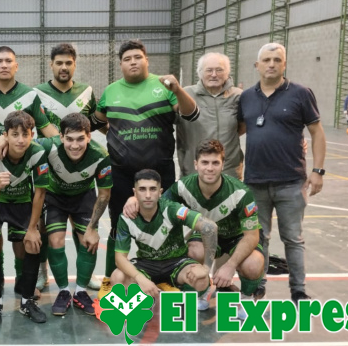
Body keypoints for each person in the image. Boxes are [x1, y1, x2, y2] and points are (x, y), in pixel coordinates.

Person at [92, 39, 199, 298]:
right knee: (118, 227)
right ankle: (109, 280)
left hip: (160, 172)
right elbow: (97, 121)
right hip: (121, 173)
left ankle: (168, 276)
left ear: (146, 60)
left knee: (166, 225)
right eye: (127, 59)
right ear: (121, 64)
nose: (133, 62)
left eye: (137, 57)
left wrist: (178, 89)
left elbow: (191, 114)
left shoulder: (164, 86)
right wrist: (116, 135)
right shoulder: (110, 91)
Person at [124, 140, 264, 319]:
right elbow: (158, 203)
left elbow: (251, 236)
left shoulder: (241, 193)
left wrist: (230, 265)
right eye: (205, 162)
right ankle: (202, 292)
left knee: (253, 264)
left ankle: (246, 297)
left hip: (236, 237)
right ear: (196, 164)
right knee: (193, 252)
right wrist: (134, 199)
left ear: (223, 164)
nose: (210, 168)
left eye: (215, 163)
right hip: (205, 234)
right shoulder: (183, 187)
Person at [238, 43, 326, 303]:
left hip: (291, 181)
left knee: (293, 239)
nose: (271, 64)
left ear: (284, 64)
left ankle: (298, 290)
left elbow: (317, 132)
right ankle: (258, 285)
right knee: (258, 238)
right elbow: (238, 130)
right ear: (257, 65)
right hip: (255, 182)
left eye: (277, 60)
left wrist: (318, 170)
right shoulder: (246, 97)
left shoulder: (300, 93)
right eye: (266, 60)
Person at [33, 43, 100, 292]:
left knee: (82, 229)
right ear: (51, 65)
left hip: (81, 175)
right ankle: (42, 274)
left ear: (74, 64)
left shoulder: (87, 92)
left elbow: (97, 123)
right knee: (46, 230)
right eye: (59, 63)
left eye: (68, 63)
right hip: (50, 175)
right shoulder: (37, 93)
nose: (64, 67)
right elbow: (35, 127)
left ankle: (85, 275)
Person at [34, 112, 112, 317]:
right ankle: (63, 291)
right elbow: (22, 143)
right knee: (55, 240)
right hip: (55, 197)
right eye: (69, 139)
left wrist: (92, 228)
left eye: (80, 139)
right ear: (60, 137)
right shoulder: (49, 146)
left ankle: (80, 292)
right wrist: (2, 139)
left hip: (83, 198)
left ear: (89, 136)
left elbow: (104, 195)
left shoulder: (100, 155)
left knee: (89, 242)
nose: (74, 145)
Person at [0, 111, 49, 325]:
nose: (20, 140)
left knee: (32, 245)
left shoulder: (37, 152)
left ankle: (27, 301)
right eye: (15, 134)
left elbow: (40, 193)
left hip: (22, 203)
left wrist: (33, 228)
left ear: (32, 135)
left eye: (25, 134)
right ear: (5, 135)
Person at [111, 169, 217, 301]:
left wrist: (206, 268)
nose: (148, 195)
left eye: (153, 189)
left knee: (201, 279)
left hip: (176, 261)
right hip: (147, 263)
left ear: (160, 192)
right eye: (142, 189)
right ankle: (147, 297)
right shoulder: (126, 217)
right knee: (117, 278)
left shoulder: (172, 209)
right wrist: (140, 278)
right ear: (135, 192)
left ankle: (187, 297)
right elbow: (119, 258)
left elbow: (209, 227)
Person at [176, 52, 243, 179]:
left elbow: (242, 127)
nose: (214, 74)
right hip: (193, 172)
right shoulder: (185, 95)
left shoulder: (238, 96)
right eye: (209, 70)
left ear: (227, 72)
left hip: (229, 171)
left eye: (219, 70)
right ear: (200, 72)